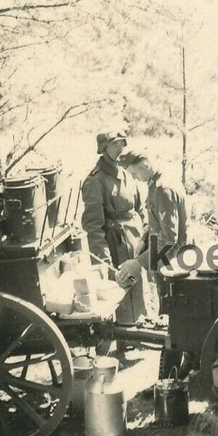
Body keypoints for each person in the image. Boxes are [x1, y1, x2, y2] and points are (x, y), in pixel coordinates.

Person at [116, 146, 190, 376]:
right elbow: (157, 223)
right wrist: (145, 237)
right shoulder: (156, 183)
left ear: (145, 164)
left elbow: (170, 239)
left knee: (173, 324)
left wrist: (138, 263)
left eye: (135, 173)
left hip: (172, 264)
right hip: (164, 259)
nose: (135, 179)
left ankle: (168, 380)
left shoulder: (163, 189)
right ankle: (177, 372)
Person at [81, 126, 146, 327]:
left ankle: (142, 327)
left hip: (136, 240)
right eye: (114, 144)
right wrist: (104, 262)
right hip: (115, 245)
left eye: (121, 143)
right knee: (120, 292)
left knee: (142, 290)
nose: (120, 148)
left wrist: (145, 238)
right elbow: (93, 227)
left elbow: (139, 208)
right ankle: (124, 337)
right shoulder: (95, 180)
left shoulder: (125, 173)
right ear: (103, 148)